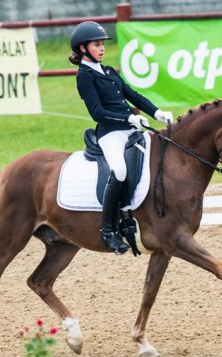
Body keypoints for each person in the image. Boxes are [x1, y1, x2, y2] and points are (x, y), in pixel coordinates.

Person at [69, 21, 173, 255]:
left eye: (103, 44)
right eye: (97, 45)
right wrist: (128, 120)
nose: (102, 48)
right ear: (83, 48)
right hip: (110, 133)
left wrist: (156, 112)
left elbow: (132, 95)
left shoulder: (107, 71)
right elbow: (97, 113)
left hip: (130, 127)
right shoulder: (84, 76)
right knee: (120, 171)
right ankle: (107, 231)